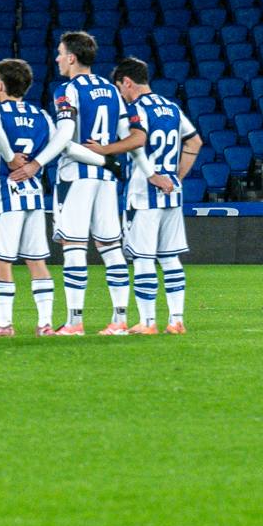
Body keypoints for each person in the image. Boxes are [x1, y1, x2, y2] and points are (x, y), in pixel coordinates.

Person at [48, 32, 132, 336]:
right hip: (107, 180)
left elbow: (66, 141)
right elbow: (127, 136)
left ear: (72, 57)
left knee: (73, 247)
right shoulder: (111, 90)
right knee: (111, 249)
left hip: (77, 177)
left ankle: (74, 322)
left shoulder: (66, 91)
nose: (57, 58)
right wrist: (109, 158)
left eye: (60, 53)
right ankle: (119, 320)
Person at [109, 58, 201, 334]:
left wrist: (152, 175)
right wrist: (177, 177)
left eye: (120, 88)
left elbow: (137, 145)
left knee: (143, 257)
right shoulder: (171, 107)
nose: (121, 95)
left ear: (127, 82)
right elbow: (195, 141)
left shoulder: (135, 110)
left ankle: (147, 322)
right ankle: (176, 320)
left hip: (144, 192)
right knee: (170, 257)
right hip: (171, 192)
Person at [0, 59, 60, 336]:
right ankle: (45, 323)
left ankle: (4, 325)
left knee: (1, 261)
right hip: (34, 197)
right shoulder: (42, 116)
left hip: (3, 197)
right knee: (37, 262)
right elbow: (60, 145)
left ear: (0, 85)